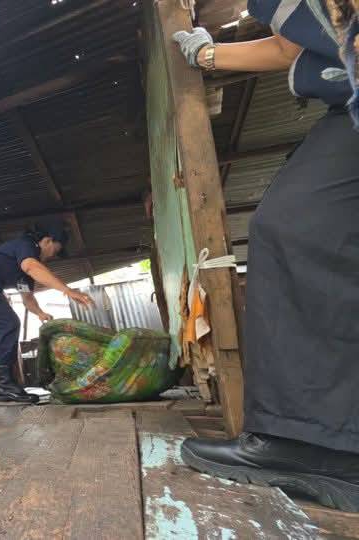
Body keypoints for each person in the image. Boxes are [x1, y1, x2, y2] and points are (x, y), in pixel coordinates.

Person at [173, 1, 359, 512]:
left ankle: (311, 439)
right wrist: (208, 55)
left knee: (296, 226)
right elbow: (290, 45)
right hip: (345, 105)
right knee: (293, 227)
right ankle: (321, 439)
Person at [0, 219, 93, 402]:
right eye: (55, 250)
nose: (53, 256)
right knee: (9, 323)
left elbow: (27, 298)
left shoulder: (24, 272)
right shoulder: (27, 245)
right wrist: (67, 290)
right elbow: (31, 266)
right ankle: (4, 384)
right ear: (47, 241)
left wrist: (40, 313)